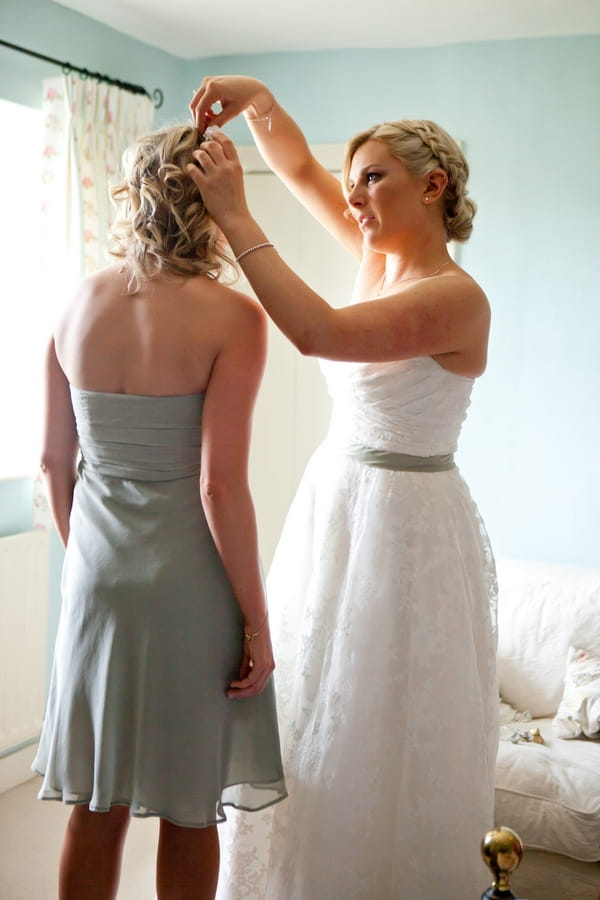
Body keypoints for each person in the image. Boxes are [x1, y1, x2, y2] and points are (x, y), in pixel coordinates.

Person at [186, 76, 499, 899]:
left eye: (372, 178)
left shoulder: (457, 299)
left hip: (407, 529)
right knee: (309, 714)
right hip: (334, 512)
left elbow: (317, 331)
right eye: (353, 179)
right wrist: (257, 100)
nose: (352, 196)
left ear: (432, 186)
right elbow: (297, 170)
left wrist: (234, 216)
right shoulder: (378, 260)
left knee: (381, 724)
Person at [32, 122, 286, 900]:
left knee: (94, 801)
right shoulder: (234, 318)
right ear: (211, 203)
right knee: (189, 809)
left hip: (96, 582)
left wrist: (91, 561)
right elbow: (219, 487)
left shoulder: (74, 303)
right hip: (188, 590)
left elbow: (52, 464)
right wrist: (255, 622)